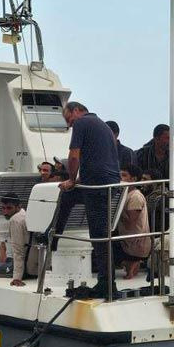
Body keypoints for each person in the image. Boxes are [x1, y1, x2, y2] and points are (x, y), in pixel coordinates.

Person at [55, 101, 122, 298]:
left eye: (69, 120)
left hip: (97, 185)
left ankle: (106, 283)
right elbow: (102, 159)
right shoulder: (103, 126)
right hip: (108, 182)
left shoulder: (82, 123)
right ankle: (54, 234)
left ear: (76, 111)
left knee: (99, 236)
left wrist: (70, 179)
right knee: (69, 197)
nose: (69, 125)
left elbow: (74, 156)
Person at [0, 193, 39, 286]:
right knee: (8, 259)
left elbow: (18, 250)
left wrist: (17, 278)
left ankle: (3, 255)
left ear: (18, 207)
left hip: (27, 269)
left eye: (9, 208)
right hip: (34, 265)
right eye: (3, 208)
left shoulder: (15, 220)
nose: (5, 212)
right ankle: (4, 256)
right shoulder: (25, 215)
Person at [115, 165, 151, 279]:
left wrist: (115, 213)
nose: (121, 178)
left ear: (133, 179)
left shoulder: (135, 196)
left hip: (135, 243)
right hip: (129, 239)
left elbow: (131, 222)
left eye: (124, 175)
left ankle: (132, 263)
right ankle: (130, 263)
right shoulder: (125, 194)